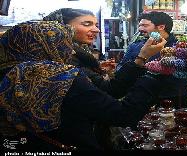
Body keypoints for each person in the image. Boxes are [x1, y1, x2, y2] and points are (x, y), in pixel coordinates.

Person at [0, 21, 167, 150]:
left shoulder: (7, 72)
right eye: (63, 43)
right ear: (45, 46)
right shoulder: (61, 78)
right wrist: (153, 74)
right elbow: (122, 115)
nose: (71, 51)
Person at [43, 8, 131, 98]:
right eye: (87, 24)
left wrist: (96, 69)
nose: (97, 30)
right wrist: (140, 60)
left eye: (96, 25)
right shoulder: (62, 56)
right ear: (62, 27)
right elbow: (110, 90)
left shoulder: (79, 51)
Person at [117, 11, 187, 108]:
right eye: (140, 25)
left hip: (173, 96)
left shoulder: (180, 47)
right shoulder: (135, 46)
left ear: (161, 27)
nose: (140, 29)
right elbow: (121, 68)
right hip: (142, 97)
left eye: (145, 25)